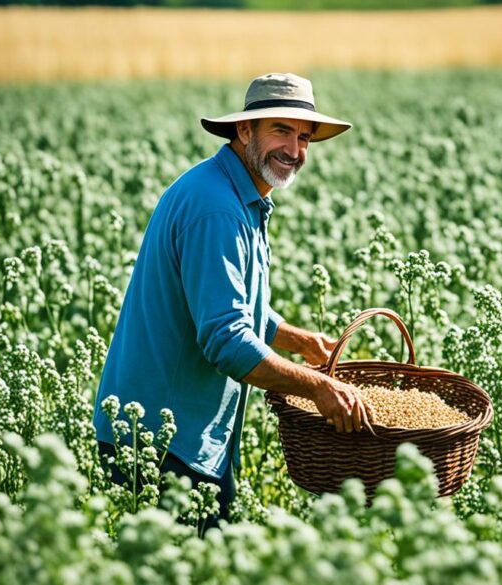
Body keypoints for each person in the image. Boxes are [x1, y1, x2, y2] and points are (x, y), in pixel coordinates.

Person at [92, 72, 372, 531]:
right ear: (245, 130)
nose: (296, 151)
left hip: (177, 435)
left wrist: (298, 340)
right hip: (158, 442)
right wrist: (319, 388)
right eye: (281, 130)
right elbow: (224, 338)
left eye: (304, 138)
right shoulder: (217, 208)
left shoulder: (234, 195)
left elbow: (230, 307)